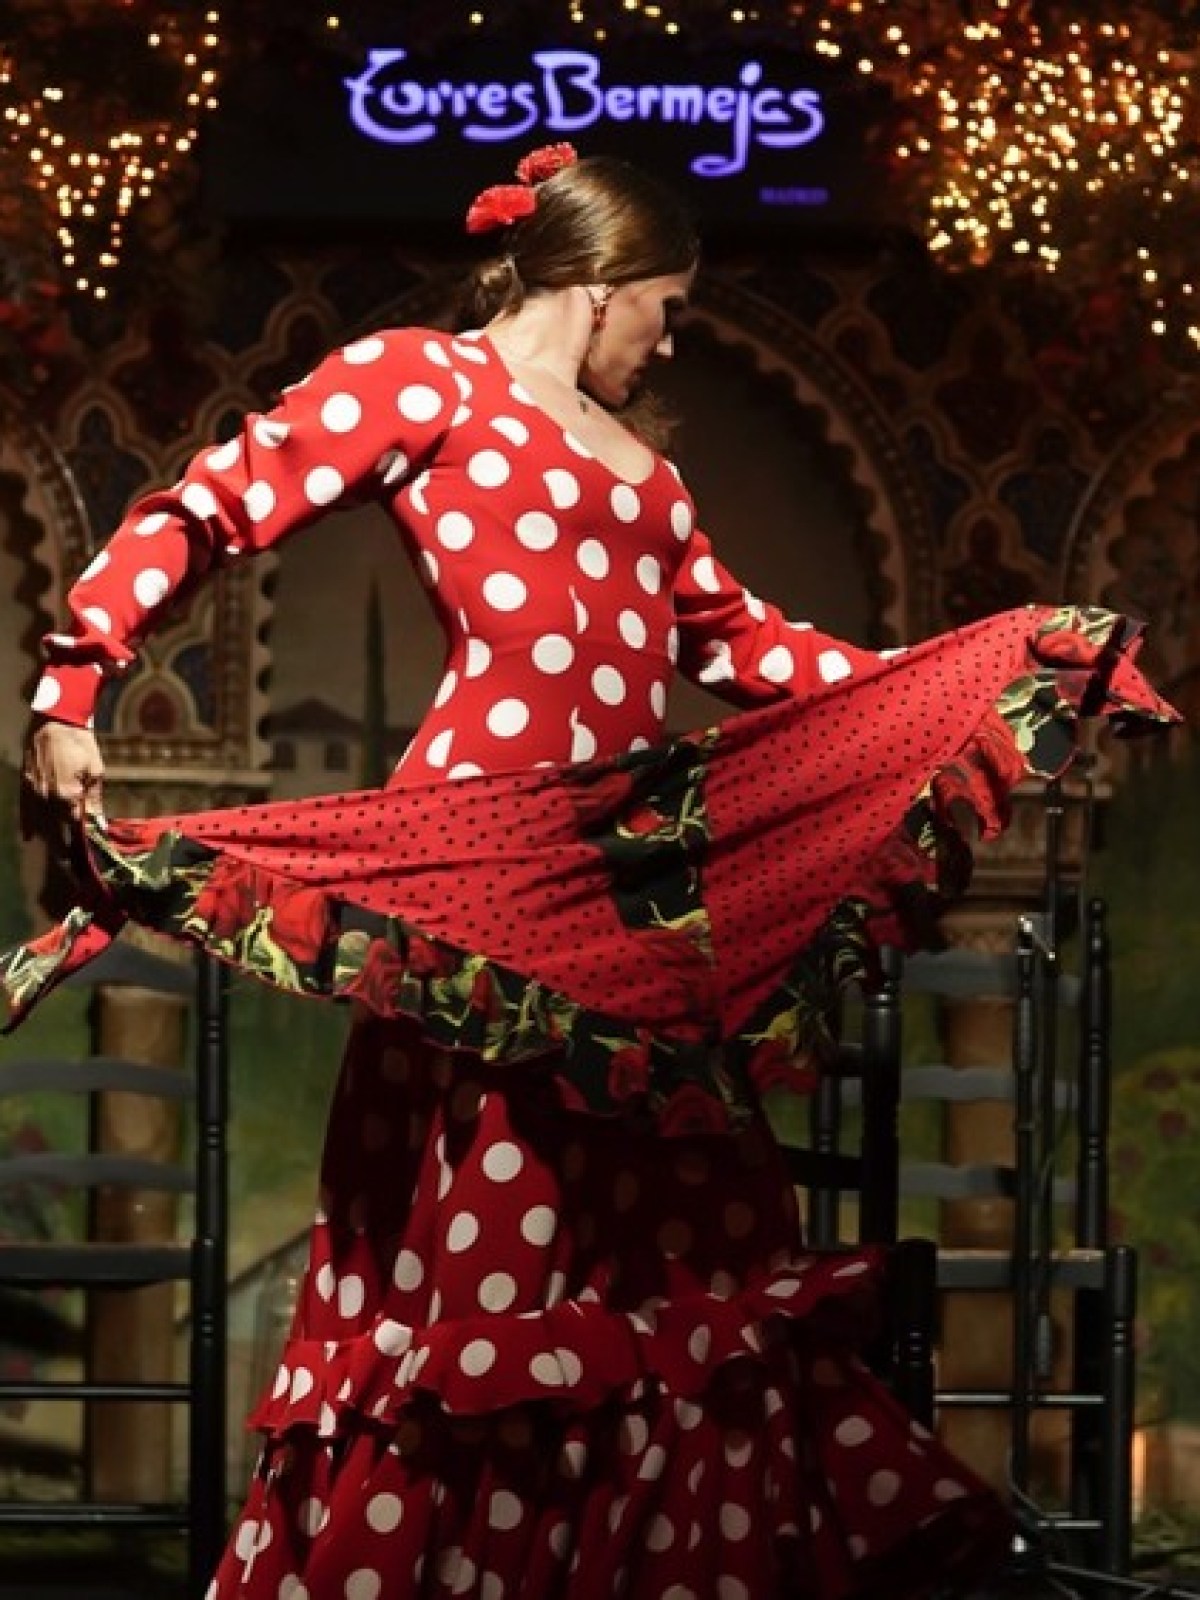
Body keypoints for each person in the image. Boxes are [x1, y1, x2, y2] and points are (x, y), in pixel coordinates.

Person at [8, 144, 1177, 1600]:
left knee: (700, 1243)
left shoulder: (647, 472)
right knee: (497, 1223)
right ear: (606, 281)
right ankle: (453, 1567)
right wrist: (73, 685)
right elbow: (215, 502)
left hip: (628, 893)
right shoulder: (420, 379)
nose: (669, 337)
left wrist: (954, 684)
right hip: (492, 869)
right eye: (667, 307)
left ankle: (636, 1569)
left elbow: (745, 650)